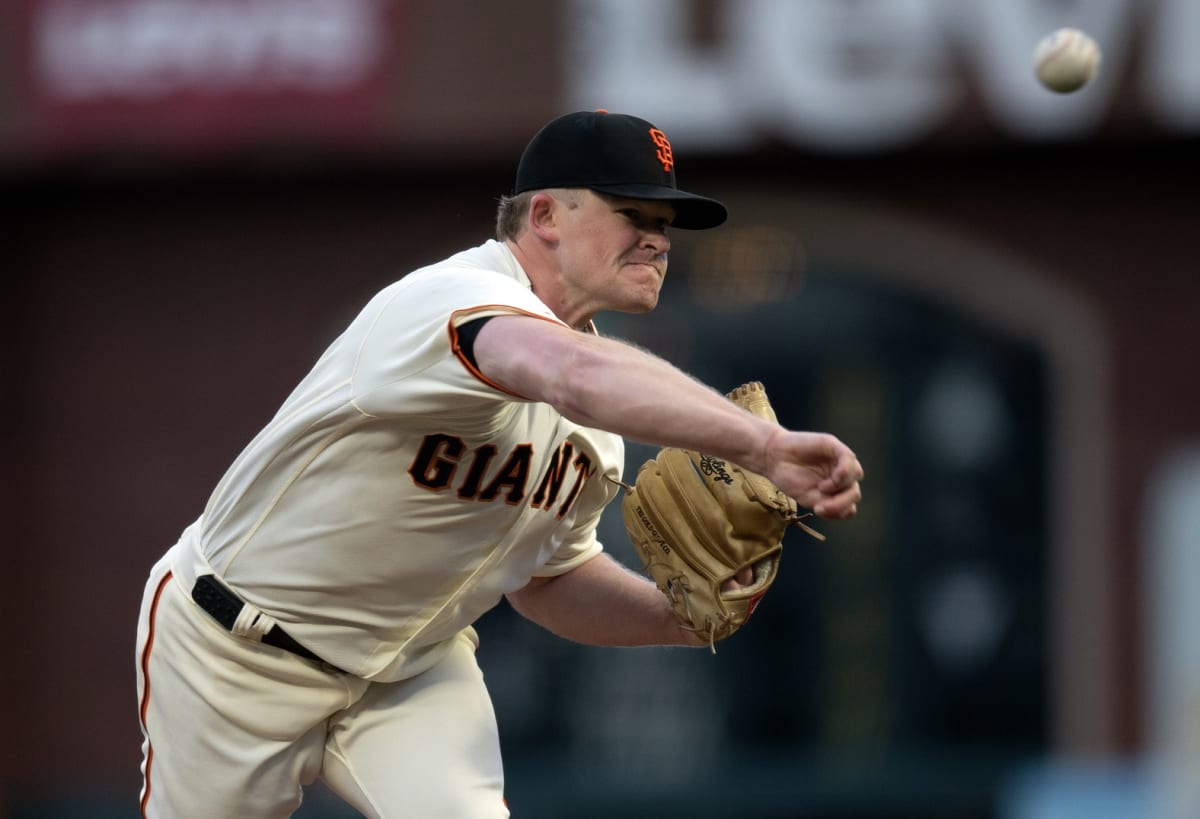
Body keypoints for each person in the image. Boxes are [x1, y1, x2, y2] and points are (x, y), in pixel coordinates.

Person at [134, 109, 863, 818]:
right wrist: (759, 444)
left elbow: (547, 580)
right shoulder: (451, 299)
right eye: (632, 215)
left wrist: (676, 616)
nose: (657, 240)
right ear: (544, 215)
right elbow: (568, 371)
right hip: (234, 649)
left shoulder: (593, 438)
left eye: (665, 226)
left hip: (411, 671)